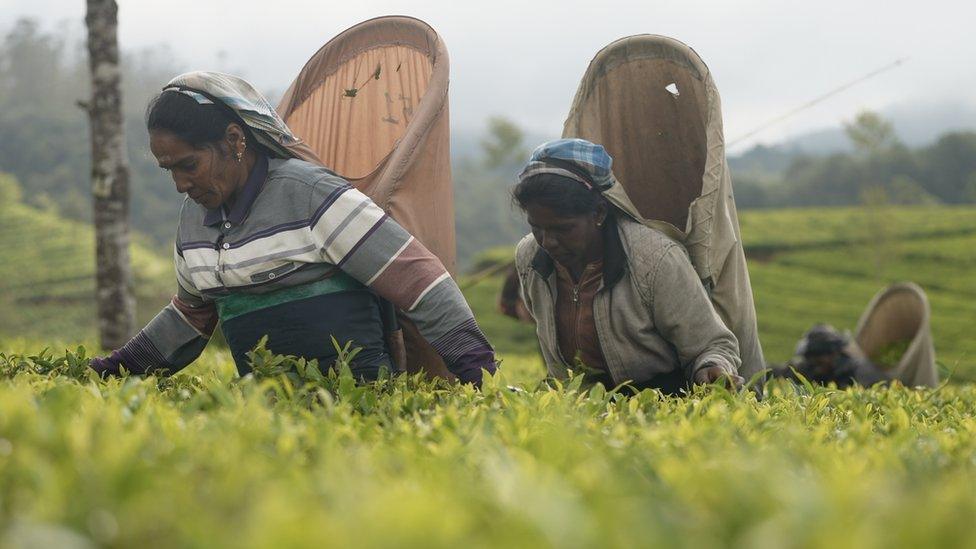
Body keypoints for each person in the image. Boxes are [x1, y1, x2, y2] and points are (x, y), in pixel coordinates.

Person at [90, 72, 495, 385]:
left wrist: (475, 371)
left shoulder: (311, 194)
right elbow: (190, 317)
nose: (180, 183)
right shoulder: (193, 219)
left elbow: (421, 280)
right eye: (169, 170)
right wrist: (115, 369)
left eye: (189, 165)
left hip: (361, 404)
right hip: (270, 412)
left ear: (234, 140)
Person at [512, 139, 742, 394]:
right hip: (578, 405)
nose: (548, 242)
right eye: (537, 228)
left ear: (599, 213)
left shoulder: (655, 259)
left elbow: (712, 344)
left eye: (563, 229)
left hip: (659, 399)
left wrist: (711, 368)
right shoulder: (530, 256)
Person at [771, 324, 889, 388]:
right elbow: (778, 372)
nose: (813, 363)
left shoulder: (857, 371)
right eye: (809, 357)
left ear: (833, 354)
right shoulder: (809, 368)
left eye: (818, 357)